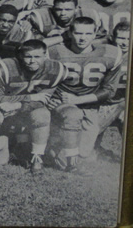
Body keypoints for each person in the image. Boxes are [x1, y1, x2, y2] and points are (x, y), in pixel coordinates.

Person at [47, 17, 125, 172]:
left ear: (95, 33)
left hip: (88, 103)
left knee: (84, 152)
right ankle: (52, 144)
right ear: (69, 33)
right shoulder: (55, 51)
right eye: (78, 33)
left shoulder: (110, 53)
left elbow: (109, 90)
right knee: (64, 157)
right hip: (62, 101)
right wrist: (47, 97)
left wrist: (78, 99)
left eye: (88, 33)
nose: (82, 38)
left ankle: (58, 148)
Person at [0, 40, 66, 174]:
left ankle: (37, 157)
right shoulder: (2, 68)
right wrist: (29, 97)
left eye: (37, 57)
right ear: (20, 56)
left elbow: (43, 100)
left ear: (45, 56)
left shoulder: (55, 70)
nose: (32, 61)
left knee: (42, 114)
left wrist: (18, 104)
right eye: (28, 56)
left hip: (19, 108)